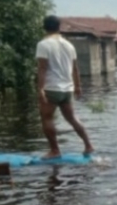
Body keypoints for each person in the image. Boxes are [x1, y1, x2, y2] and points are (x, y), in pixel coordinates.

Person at [36, 15, 94, 159]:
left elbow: (42, 68)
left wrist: (40, 89)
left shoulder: (43, 45)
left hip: (52, 87)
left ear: (45, 27)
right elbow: (75, 69)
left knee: (46, 117)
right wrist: (78, 87)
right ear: (59, 27)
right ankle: (88, 145)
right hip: (68, 88)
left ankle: (55, 150)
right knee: (72, 118)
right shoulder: (69, 45)